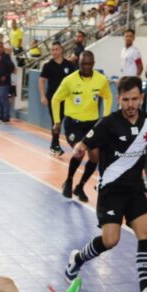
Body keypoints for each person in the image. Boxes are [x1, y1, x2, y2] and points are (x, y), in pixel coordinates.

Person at [64, 76, 147, 292]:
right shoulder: (108, 123)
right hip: (111, 190)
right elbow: (85, 144)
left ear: (141, 98)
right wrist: (79, 149)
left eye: (135, 99)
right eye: (126, 100)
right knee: (110, 240)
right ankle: (77, 259)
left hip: (135, 189)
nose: (130, 105)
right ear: (118, 99)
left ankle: (145, 289)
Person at [52, 51, 113, 202]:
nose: (86, 67)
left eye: (89, 64)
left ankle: (80, 187)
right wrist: (57, 121)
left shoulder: (101, 80)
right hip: (73, 123)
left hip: (92, 124)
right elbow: (55, 99)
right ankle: (68, 181)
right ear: (78, 63)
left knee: (95, 157)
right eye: (83, 64)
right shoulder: (69, 81)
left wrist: (105, 117)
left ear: (93, 64)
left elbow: (108, 96)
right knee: (80, 151)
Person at [40, 41, 77, 155]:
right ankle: (55, 145)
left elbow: (74, 80)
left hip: (67, 99)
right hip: (53, 99)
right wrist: (43, 96)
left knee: (69, 121)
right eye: (52, 50)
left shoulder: (69, 65)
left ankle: (67, 142)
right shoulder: (47, 65)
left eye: (56, 49)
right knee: (56, 121)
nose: (54, 52)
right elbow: (41, 81)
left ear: (61, 50)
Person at [0, 41, 15, 123]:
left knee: (4, 99)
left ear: (3, 48)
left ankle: (6, 116)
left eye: (0, 47)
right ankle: (1, 115)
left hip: (4, 83)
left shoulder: (6, 56)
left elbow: (12, 67)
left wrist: (5, 75)